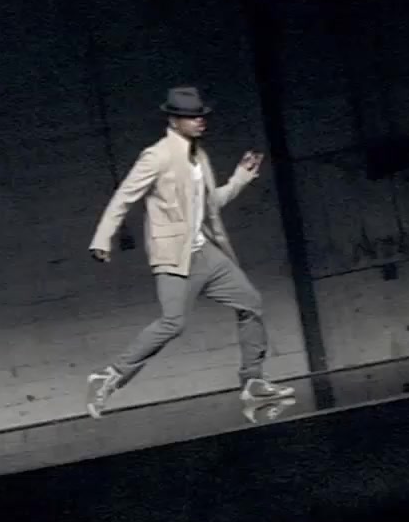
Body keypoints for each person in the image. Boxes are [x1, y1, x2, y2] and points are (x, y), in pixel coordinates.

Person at [85, 86, 295, 418]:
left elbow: (209, 206)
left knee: (250, 302)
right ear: (173, 120)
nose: (200, 121)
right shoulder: (157, 156)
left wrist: (240, 179)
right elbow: (124, 197)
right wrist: (102, 238)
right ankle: (109, 376)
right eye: (192, 117)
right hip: (174, 258)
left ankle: (253, 382)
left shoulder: (199, 157)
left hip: (205, 253)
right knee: (173, 323)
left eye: (201, 116)